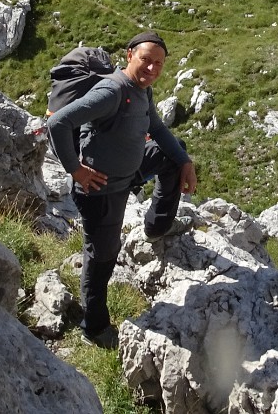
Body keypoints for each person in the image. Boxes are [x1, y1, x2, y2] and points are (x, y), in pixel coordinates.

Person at [46, 30, 198, 349]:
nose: (152, 69)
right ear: (130, 55)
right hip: (101, 189)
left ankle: (157, 227)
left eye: (158, 63)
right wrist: (76, 170)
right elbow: (58, 123)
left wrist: (185, 161)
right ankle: (94, 327)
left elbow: (155, 127)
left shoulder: (143, 91)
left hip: (127, 173)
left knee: (172, 155)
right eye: (145, 60)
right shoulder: (112, 91)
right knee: (102, 256)